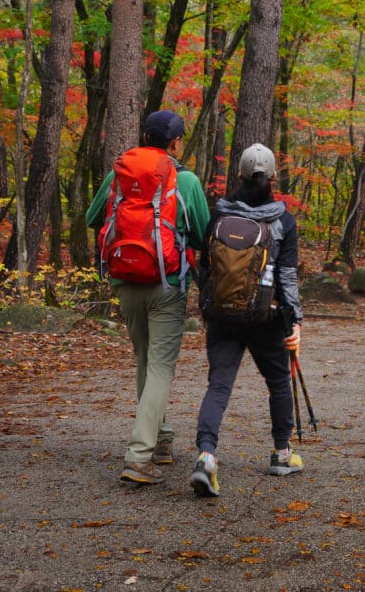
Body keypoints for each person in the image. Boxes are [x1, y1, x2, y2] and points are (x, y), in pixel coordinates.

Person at [86, 110, 210, 485]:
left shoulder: (118, 175)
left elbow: (94, 217)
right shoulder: (184, 179)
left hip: (124, 281)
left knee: (144, 360)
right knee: (159, 367)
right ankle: (139, 456)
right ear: (174, 143)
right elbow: (204, 234)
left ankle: (160, 440)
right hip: (166, 284)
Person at [191, 143, 304, 498]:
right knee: (278, 382)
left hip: (223, 314)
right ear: (273, 177)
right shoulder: (283, 221)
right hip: (265, 317)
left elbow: (205, 268)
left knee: (219, 386)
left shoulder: (219, 216)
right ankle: (282, 454)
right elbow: (287, 277)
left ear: (238, 175)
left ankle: (207, 457)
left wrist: (209, 302)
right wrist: (294, 320)